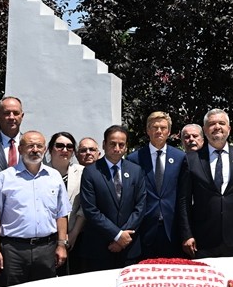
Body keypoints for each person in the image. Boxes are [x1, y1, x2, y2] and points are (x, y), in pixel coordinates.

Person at [176, 109, 233, 257]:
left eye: (222, 123)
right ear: (204, 129)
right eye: (212, 124)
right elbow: (183, 200)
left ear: (229, 128)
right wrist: (186, 234)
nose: (217, 127)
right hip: (203, 236)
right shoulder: (192, 159)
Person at [0, 131, 70, 286]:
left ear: (45, 149)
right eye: (30, 145)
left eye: (39, 146)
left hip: (46, 249)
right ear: (20, 149)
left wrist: (61, 245)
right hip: (13, 250)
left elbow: (61, 214)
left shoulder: (54, 176)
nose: (35, 150)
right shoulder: (4, 178)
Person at [78, 125, 146, 271]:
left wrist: (123, 238)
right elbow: (91, 210)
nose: (117, 148)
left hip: (129, 246)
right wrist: (116, 235)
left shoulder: (136, 170)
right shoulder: (91, 172)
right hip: (100, 247)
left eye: (121, 144)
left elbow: (140, 206)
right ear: (104, 144)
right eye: (112, 144)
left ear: (126, 146)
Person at [129, 112, 185, 261]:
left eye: (163, 127)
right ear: (148, 131)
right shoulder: (134, 159)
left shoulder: (180, 157)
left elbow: (182, 193)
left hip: (172, 228)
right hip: (145, 228)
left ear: (168, 131)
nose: (159, 131)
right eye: (154, 127)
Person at [47, 131, 84, 208]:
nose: (64, 150)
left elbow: (85, 204)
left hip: (73, 219)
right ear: (50, 149)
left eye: (69, 146)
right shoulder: (40, 172)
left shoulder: (82, 172)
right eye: (59, 146)